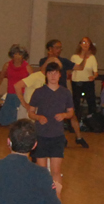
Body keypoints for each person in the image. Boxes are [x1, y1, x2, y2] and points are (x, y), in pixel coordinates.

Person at [25, 62, 73, 190]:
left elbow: (71, 112)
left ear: (60, 75)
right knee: (42, 171)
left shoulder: (65, 93)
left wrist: (64, 115)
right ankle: (42, 196)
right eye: (50, 73)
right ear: (46, 75)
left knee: (56, 171)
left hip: (57, 136)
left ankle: (56, 197)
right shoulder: (39, 92)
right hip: (41, 135)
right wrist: (38, 117)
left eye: (56, 73)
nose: (53, 76)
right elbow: (31, 112)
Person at [67, 37, 97, 147]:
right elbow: (76, 68)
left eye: (87, 42)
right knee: (76, 103)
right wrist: (84, 56)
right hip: (77, 82)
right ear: (80, 44)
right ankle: (74, 124)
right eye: (83, 42)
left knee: (91, 102)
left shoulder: (92, 58)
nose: (85, 44)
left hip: (88, 82)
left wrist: (93, 77)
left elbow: (95, 72)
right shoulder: (74, 57)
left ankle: (91, 122)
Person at [0, 45, 32, 127]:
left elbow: (32, 79)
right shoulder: (7, 65)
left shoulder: (27, 66)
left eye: (20, 54)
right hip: (11, 93)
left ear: (23, 56)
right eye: (15, 54)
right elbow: (1, 77)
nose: (17, 56)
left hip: (22, 93)